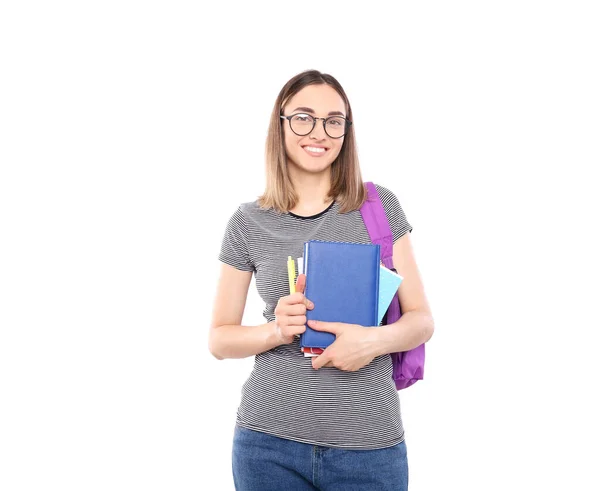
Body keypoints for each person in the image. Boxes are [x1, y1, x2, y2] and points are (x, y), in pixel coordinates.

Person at [209, 69, 434, 491]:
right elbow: (219, 340)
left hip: (370, 449)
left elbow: (422, 320)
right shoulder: (247, 222)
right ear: (281, 124)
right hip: (267, 446)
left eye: (334, 120)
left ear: (346, 131)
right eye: (304, 117)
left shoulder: (379, 206)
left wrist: (373, 341)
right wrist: (278, 330)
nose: (320, 131)